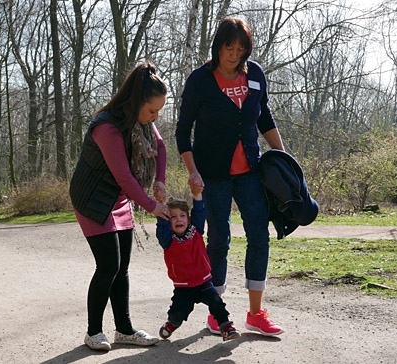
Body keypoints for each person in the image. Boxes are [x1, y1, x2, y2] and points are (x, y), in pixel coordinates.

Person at [175, 16, 285, 336]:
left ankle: (255, 313)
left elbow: (264, 116)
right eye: (229, 47)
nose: (234, 54)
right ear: (218, 45)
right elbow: (183, 131)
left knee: (259, 237)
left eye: (241, 49)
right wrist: (192, 170)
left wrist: (282, 157)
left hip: (250, 172)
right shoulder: (200, 80)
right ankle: (217, 313)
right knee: (219, 239)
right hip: (213, 175)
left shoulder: (255, 76)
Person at [69, 60, 171, 351]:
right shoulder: (106, 128)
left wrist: (159, 181)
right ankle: (93, 332)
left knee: (122, 267)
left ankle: (124, 330)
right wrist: (151, 205)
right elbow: (123, 176)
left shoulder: (142, 123)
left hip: (118, 195)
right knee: (108, 265)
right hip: (92, 197)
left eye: (159, 111)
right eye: (152, 110)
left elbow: (161, 147)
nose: (155, 116)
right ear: (136, 102)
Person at [155, 194, 240, 341]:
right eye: (173, 217)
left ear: (188, 219)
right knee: (178, 312)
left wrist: (198, 195)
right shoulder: (167, 239)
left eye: (182, 216)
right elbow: (162, 224)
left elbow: (199, 212)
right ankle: (172, 323)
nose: (179, 219)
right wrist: (160, 204)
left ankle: (226, 327)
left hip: (204, 282)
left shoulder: (196, 231)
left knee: (217, 303)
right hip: (183, 287)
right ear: (168, 221)